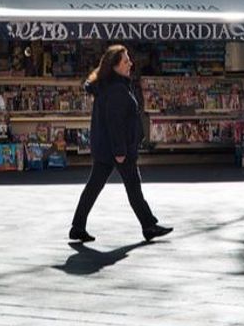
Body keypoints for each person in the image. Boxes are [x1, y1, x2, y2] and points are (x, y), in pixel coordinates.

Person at [69, 45, 172, 243]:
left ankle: (78, 226)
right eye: (126, 61)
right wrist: (120, 150)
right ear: (115, 66)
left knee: (95, 187)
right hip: (117, 149)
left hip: (107, 148)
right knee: (132, 187)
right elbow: (115, 122)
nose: (130, 64)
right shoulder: (116, 89)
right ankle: (148, 226)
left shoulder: (111, 85)